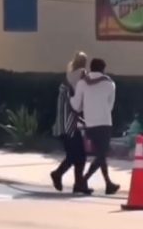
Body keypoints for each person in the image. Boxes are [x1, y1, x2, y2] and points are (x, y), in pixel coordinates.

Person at [70, 57, 120, 195]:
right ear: (103, 69)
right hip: (104, 122)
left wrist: (70, 99)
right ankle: (82, 181)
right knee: (102, 154)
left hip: (90, 123)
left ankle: (108, 184)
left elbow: (76, 105)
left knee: (100, 155)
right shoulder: (110, 84)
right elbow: (110, 105)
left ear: (91, 68)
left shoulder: (82, 83)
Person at [50, 52, 92, 195]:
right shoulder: (82, 75)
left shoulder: (68, 76)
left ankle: (78, 184)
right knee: (77, 156)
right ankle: (59, 175)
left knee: (77, 155)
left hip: (64, 124)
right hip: (70, 125)